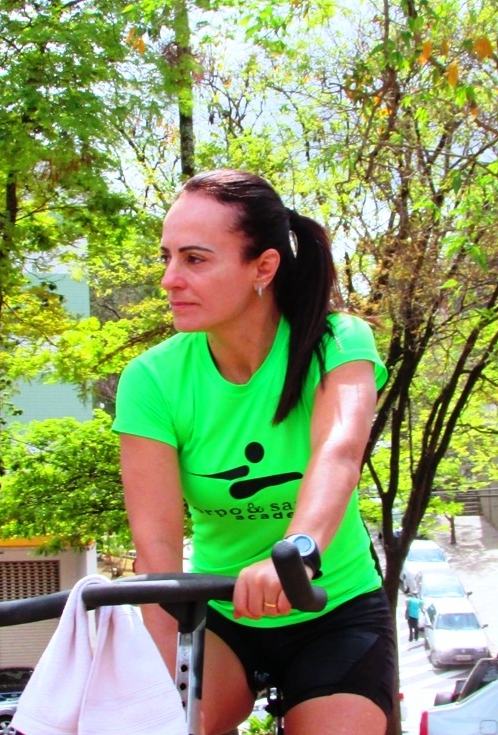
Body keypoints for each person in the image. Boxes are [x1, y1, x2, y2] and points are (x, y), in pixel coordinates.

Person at [114, 169, 395, 735]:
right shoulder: (151, 379)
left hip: (332, 607)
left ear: (263, 268)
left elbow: (338, 452)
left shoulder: (337, 342)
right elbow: (157, 547)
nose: (169, 279)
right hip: (218, 612)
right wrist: (163, 700)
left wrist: (296, 553)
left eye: (195, 259)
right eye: (167, 257)